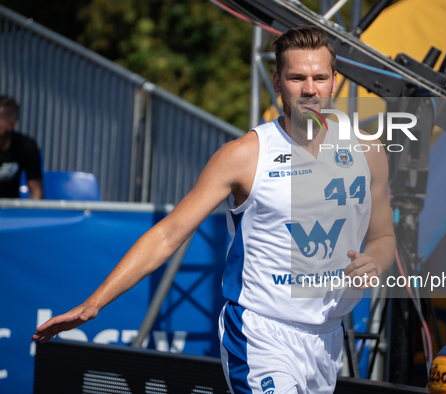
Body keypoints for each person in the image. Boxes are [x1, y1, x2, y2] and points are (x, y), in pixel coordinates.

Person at [32, 26, 396, 394]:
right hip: (260, 333)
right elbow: (167, 233)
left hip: (325, 338)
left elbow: (383, 237)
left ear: (335, 81)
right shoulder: (244, 156)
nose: (309, 89)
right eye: (297, 77)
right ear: (277, 82)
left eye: (319, 77)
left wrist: (375, 262)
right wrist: (94, 303)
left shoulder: (368, 152)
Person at [0, 96, 43, 199]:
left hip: (12, 211)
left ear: (11, 124)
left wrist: (27, 213)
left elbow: (36, 192)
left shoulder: (26, 147)